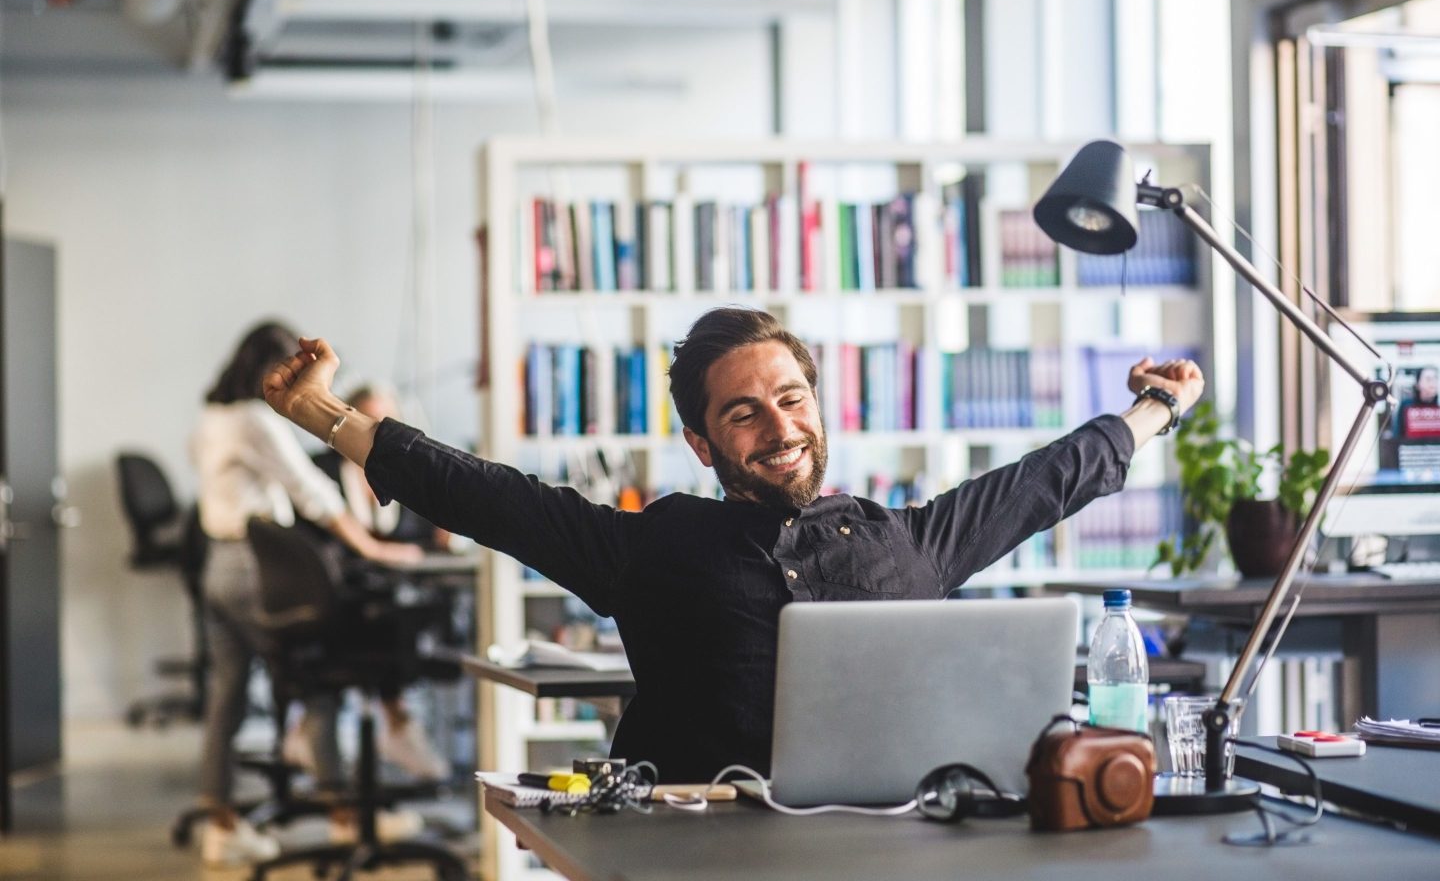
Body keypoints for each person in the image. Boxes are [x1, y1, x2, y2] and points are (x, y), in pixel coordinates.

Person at [263, 307, 1204, 783]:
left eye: (792, 400)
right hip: (702, 841)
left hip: (892, 837)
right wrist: (320, 413)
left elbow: (1046, 482)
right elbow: (485, 497)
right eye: (745, 413)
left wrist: (1156, 407)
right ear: (705, 444)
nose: (780, 426)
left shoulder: (904, 540)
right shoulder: (653, 547)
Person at [191, 322, 424, 866]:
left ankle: (220, 825)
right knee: (319, 679)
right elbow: (312, 492)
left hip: (216, 566)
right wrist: (371, 548)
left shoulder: (212, 419)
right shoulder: (252, 419)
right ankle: (346, 815)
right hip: (253, 567)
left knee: (225, 699)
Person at [305, 384, 454, 781]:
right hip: (338, 599)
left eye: (385, 422)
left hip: (387, 592)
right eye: (365, 418)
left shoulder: (400, 471)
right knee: (393, 622)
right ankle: (398, 722)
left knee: (422, 611)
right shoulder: (320, 471)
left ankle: (397, 722)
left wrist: (442, 527)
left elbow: (414, 533)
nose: (374, 430)